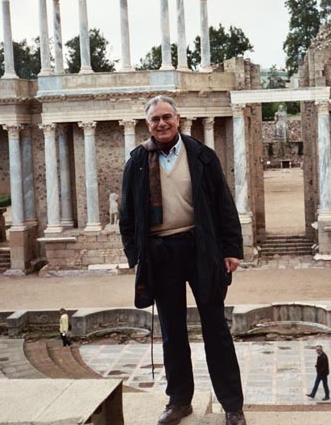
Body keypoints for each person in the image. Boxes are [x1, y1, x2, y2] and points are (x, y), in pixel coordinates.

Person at [120, 95, 247, 425]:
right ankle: (179, 401)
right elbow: (127, 215)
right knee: (171, 332)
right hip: (161, 252)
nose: (161, 124)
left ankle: (232, 405)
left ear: (178, 119)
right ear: (147, 125)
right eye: (154, 120)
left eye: (166, 117)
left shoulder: (202, 156)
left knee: (215, 327)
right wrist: (137, 256)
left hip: (200, 247)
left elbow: (223, 204)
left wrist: (231, 249)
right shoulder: (136, 161)